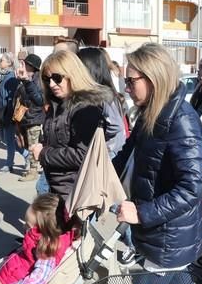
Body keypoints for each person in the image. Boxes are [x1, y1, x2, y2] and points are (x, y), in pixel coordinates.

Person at [114, 43, 202, 270]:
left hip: (169, 238)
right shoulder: (151, 113)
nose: (126, 89)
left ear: (153, 78)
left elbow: (191, 187)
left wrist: (142, 213)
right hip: (152, 232)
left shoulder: (181, 119)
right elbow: (126, 155)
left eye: (130, 81)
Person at [31, 50, 110, 199]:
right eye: (47, 79)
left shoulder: (86, 108)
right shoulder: (57, 104)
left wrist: (43, 153)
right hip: (57, 187)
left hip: (76, 191)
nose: (52, 84)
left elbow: (83, 155)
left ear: (72, 74)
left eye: (57, 78)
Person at [77, 47, 127, 157]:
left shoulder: (102, 95)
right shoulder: (104, 92)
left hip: (108, 155)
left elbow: (116, 126)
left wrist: (103, 147)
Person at [0, 52, 28, 174]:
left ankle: (9, 164)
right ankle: (27, 155)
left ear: (9, 63)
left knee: (8, 139)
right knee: (5, 138)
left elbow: (12, 98)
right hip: (1, 112)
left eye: (2, 60)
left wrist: (10, 114)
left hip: (8, 113)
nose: (0, 61)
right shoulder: (1, 76)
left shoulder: (11, 78)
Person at [15, 53, 45, 182]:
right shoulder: (26, 78)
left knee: (33, 145)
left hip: (34, 117)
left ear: (32, 66)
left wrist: (26, 82)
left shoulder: (37, 80)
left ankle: (33, 171)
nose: (23, 65)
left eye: (25, 64)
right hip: (26, 117)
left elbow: (39, 100)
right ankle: (34, 167)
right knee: (27, 144)